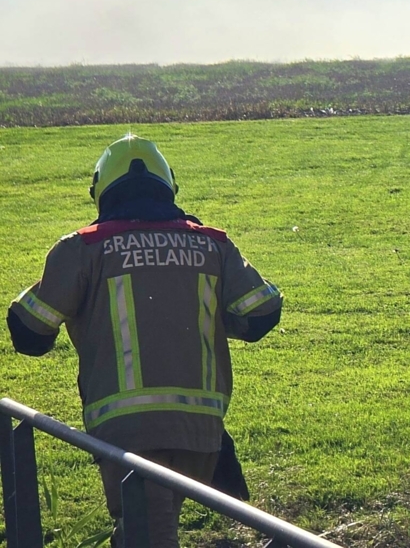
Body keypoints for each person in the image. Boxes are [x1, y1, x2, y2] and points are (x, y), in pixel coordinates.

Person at [6, 133, 283, 548]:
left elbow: (28, 331)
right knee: (146, 530)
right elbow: (262, 312)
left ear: (101, 190)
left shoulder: (83, 248)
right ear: (168, 185)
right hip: (201, 432)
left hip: (127, 434)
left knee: (148, 536)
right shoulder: (211, 243)